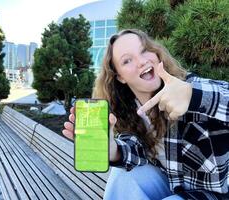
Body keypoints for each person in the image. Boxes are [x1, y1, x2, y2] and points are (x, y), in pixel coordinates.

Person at [62, 29, 229, 200]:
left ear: (156, 55)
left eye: (144, 50)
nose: (141, 61)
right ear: (120, 77)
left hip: (215, 194)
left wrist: (193, 96)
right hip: (170, 183)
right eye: (127, 60)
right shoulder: (130, 111)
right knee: (123, 176)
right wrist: (112, 150)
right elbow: (135, 150)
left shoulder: (188, 87)